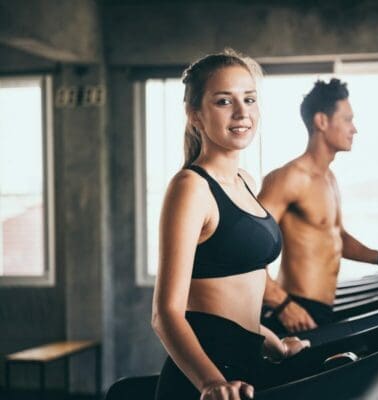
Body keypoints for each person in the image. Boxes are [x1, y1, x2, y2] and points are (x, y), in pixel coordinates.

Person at [152, 50, 309, 400]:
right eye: (224, 101)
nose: (242, 113)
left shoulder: (246, 181)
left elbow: (238, 297)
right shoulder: (191, 188)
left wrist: (273, 344)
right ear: (195, 114)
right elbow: (166, 314)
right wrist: (210, 383)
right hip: (207, 380)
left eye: (249, 99)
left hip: (247, 368)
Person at [258, 78, 378, 334]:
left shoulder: (329, 179)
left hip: (319, 311)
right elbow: (247, 249)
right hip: (293, 310)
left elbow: (336, 237)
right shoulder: (289, 178)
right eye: (347, 119)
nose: (354, 129)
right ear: (322, 121)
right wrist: (281, 304)